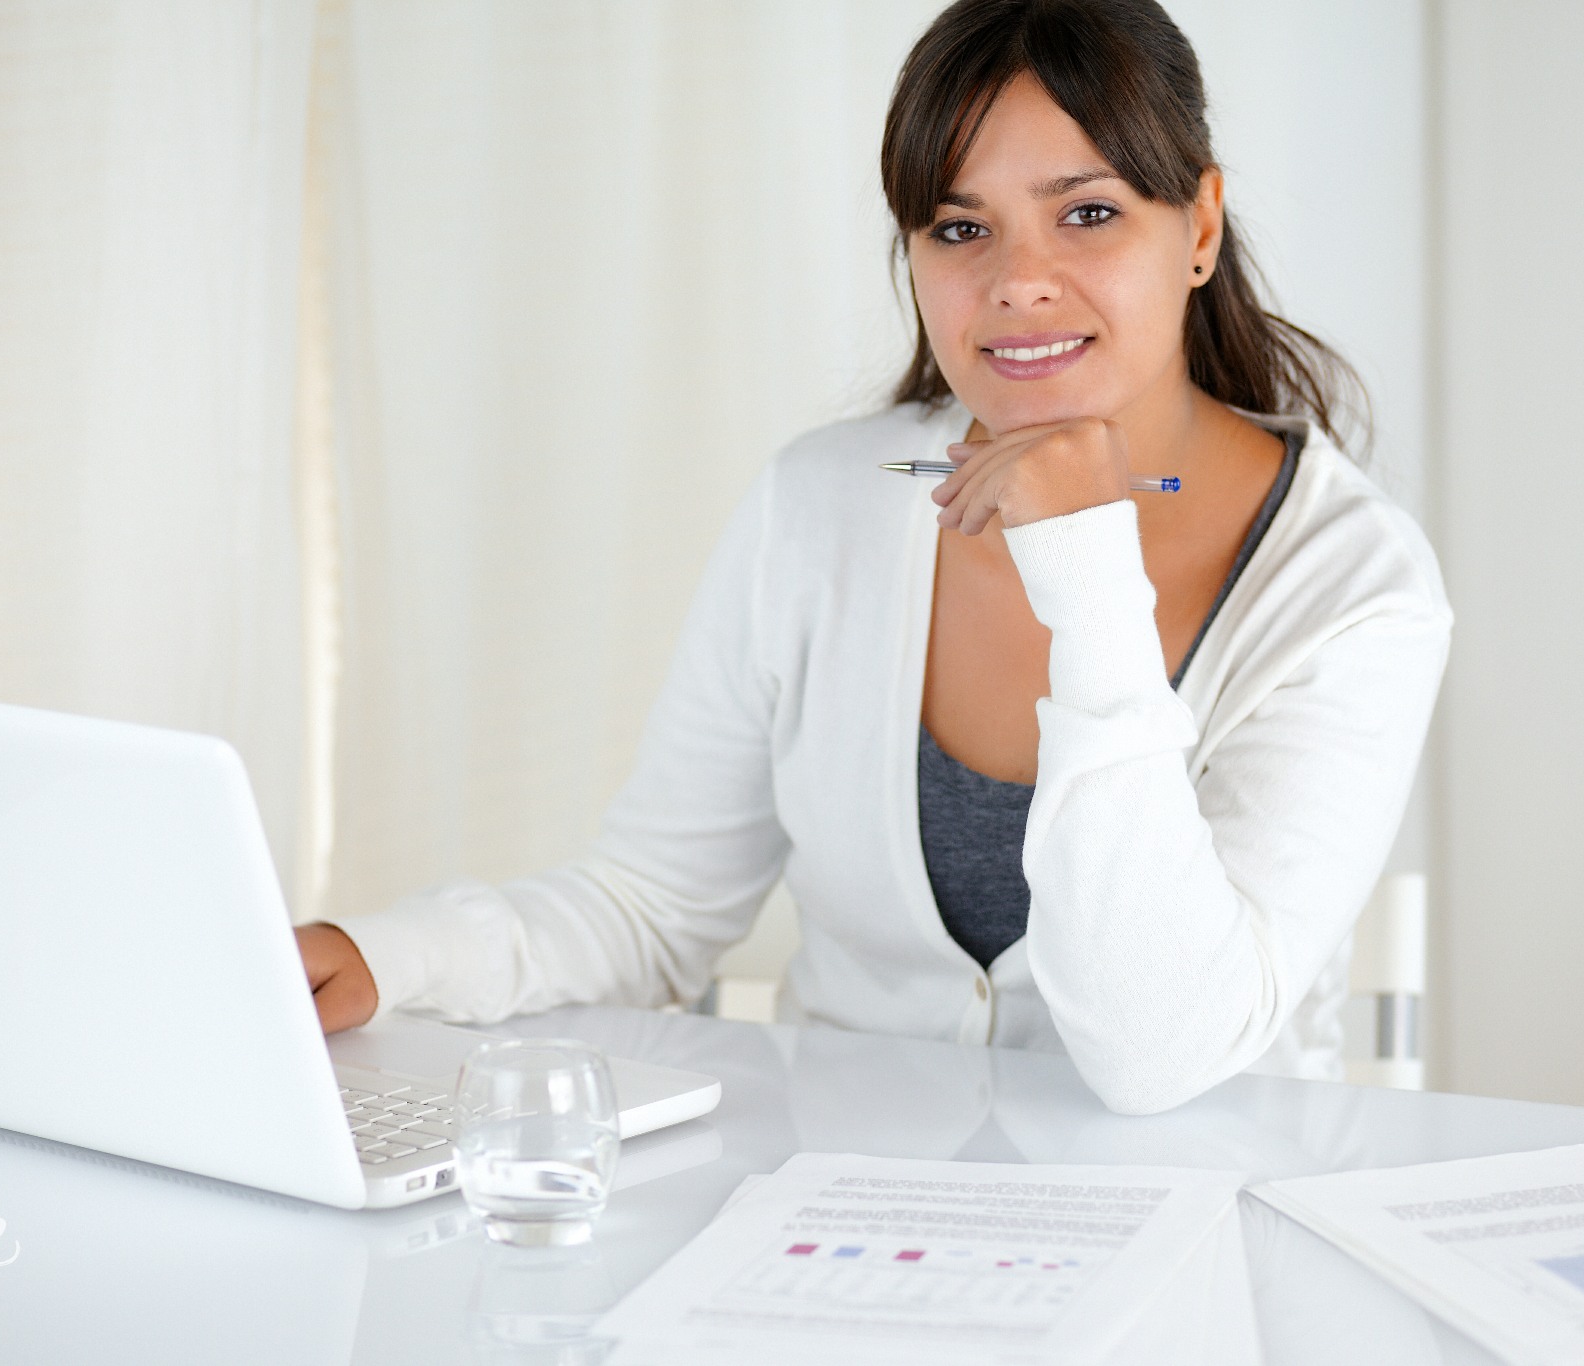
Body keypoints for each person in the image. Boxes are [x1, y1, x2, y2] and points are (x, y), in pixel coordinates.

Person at [295, 0, 1451, 1115]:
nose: (1016, 280)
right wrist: (384, 957)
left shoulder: (1350, 586)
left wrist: (1087, 567)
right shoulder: (823, 506)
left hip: (1195, 1249)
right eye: (960, 228)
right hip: (835, 1242)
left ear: (1197, 227)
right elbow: (649, 909)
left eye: (1086, 213)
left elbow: (1159, 1053)